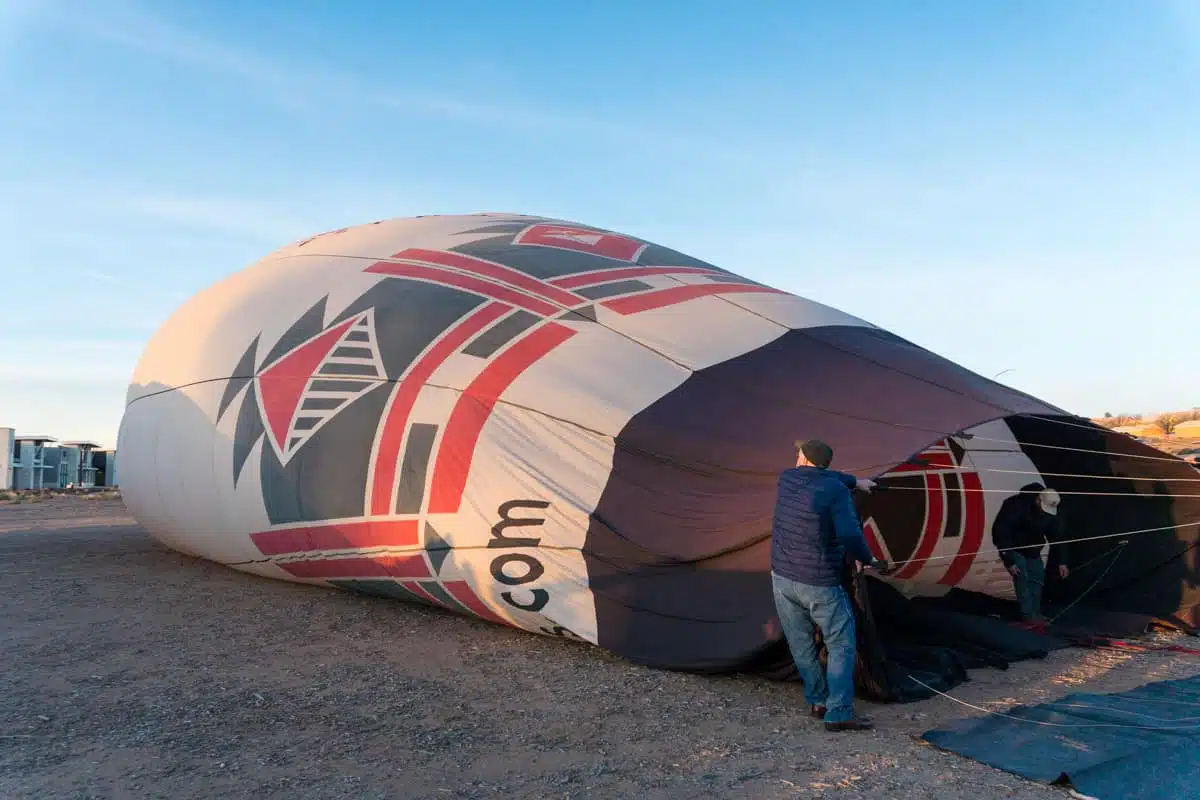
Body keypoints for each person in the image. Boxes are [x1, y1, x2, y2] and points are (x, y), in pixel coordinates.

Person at [770, 438, 889, 732]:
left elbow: (825, 477)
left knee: (801, 644)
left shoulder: (787, 479)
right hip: (818, 581)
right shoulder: (834, 490)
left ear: (805, 460)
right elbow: (850, 535)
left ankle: (818, 701)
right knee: (841, 644)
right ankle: (838, 712)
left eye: (799, 453)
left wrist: (855, 482)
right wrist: (870, 559)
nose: (796, 456)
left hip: (782, 578)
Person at [990, 482, 1070, 624]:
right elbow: (1001, 532)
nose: (1045, 513)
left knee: (1037, 579)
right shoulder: (1015, 505)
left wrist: (1061, 561)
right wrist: (1009, 560)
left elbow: (1056, 537)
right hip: (1014, 547)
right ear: (1038, 500)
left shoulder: (1050, 511)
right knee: (1022, 579)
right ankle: (1027, 615)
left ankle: (1036, 613)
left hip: (1033, 549)